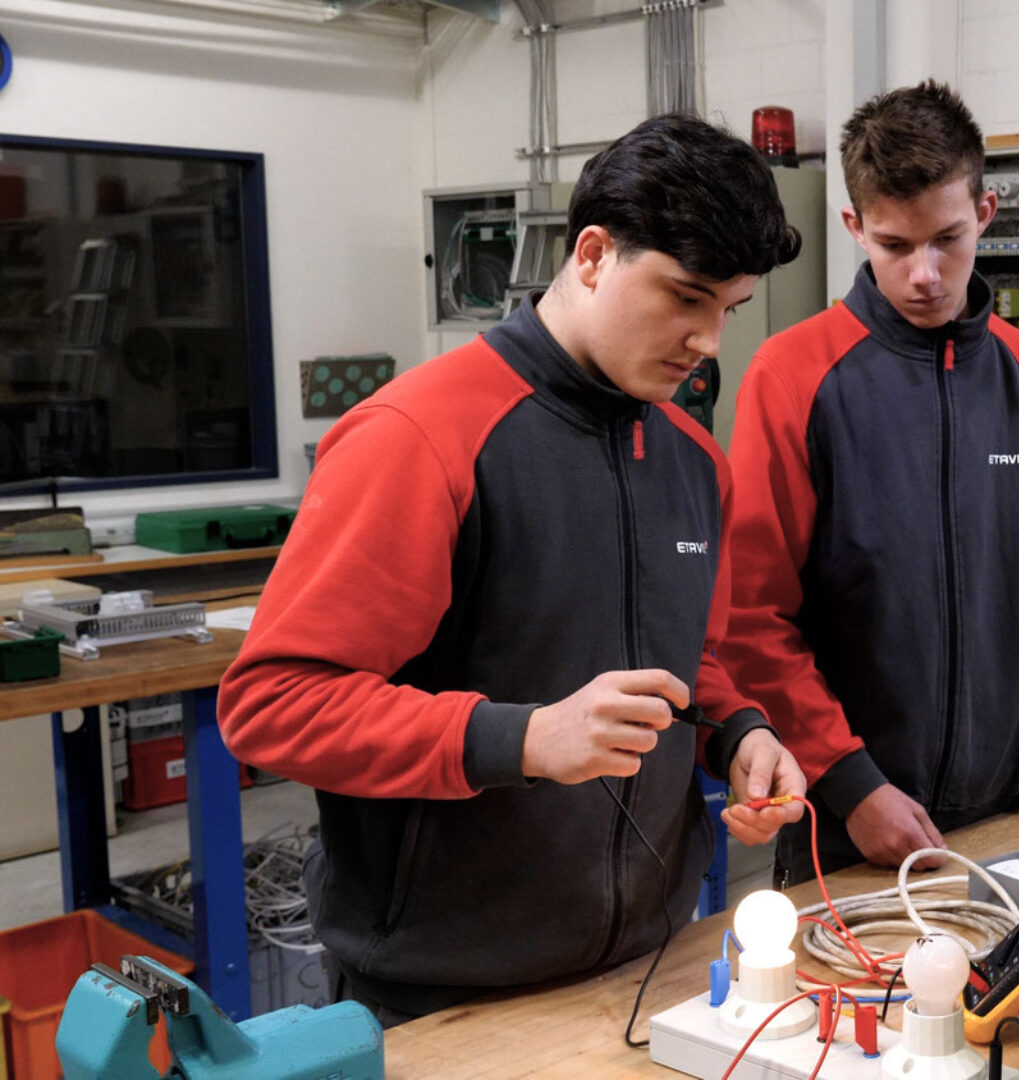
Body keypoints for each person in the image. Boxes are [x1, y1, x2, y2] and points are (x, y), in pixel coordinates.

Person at [218, 114, 808, 1025]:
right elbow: (275, 704)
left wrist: (739, 733)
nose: (707, 341)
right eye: (685, 297)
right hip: (445, 986)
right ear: (592, 254)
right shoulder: (420, 438)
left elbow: (692, 663)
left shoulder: (693, 459)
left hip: (650, 960)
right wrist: (524, 739)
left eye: (726, 310)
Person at [721, 80, 1019, 884]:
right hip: (846, 826)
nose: (923, 274)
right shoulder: (792, 375)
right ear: (854, 228)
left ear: (984, 213)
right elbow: (751, 615)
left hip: (1000, 807)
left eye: (946, 239)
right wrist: (849, 783)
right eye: (892, 245)